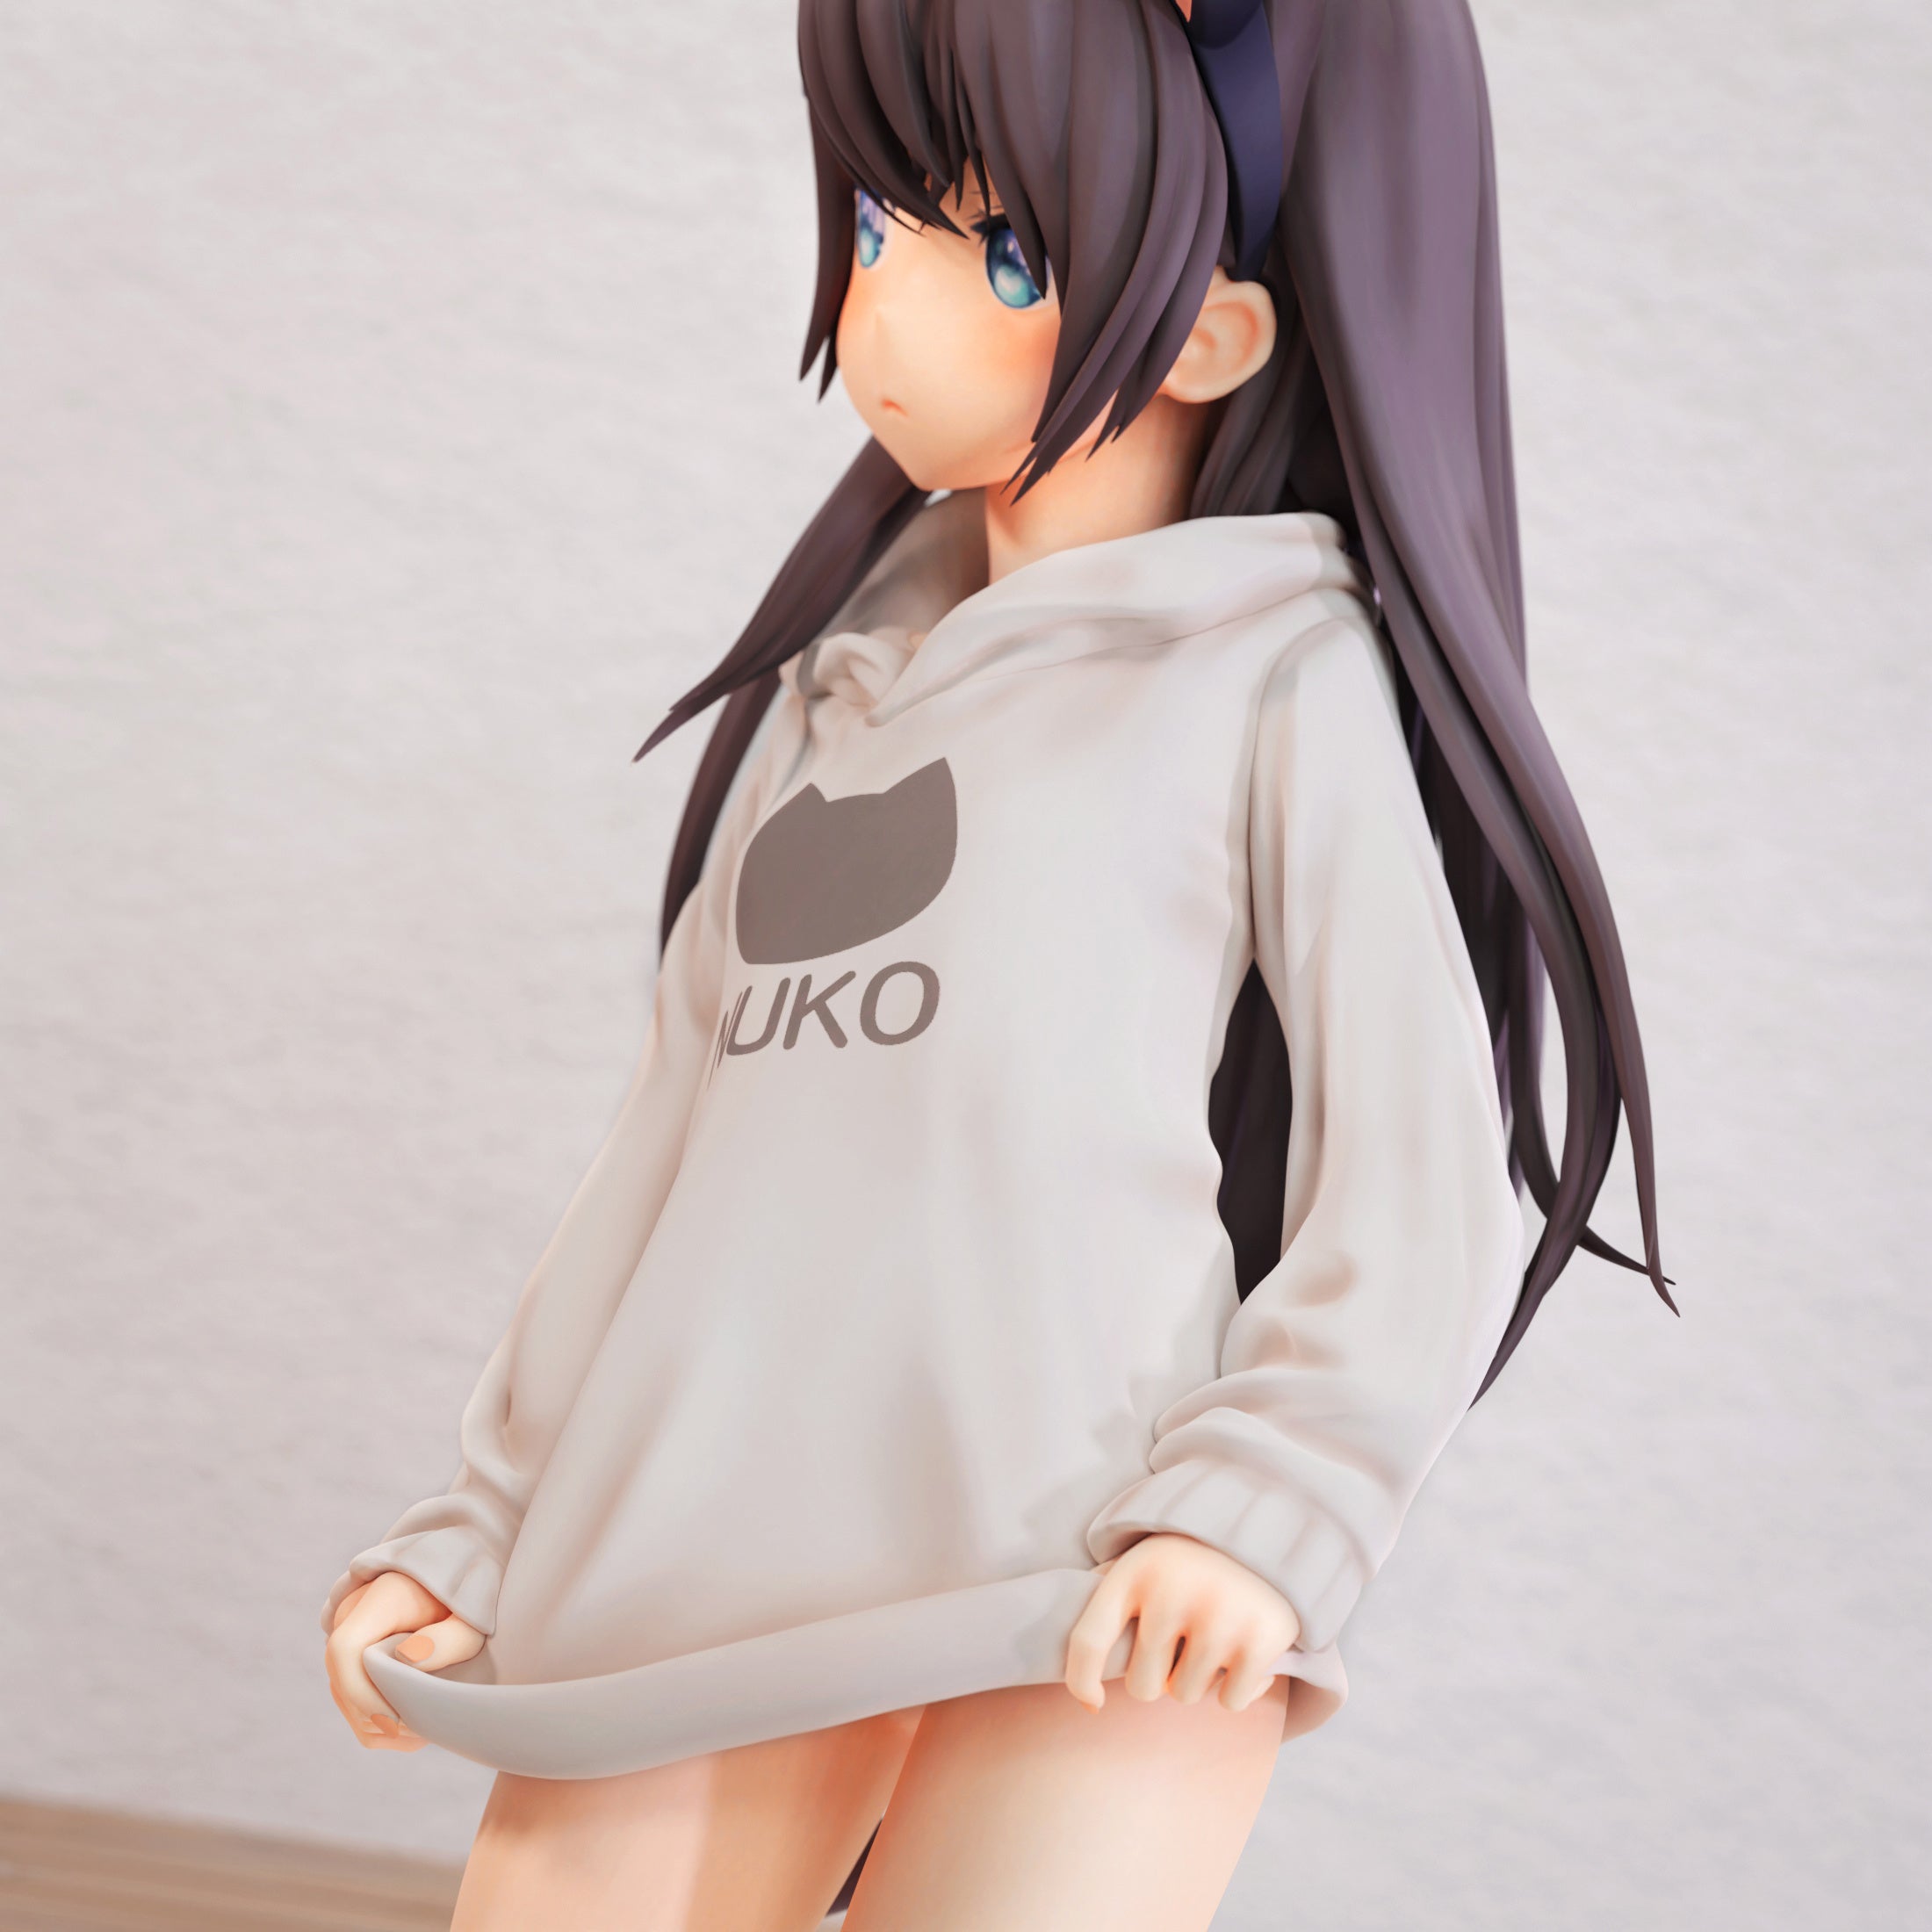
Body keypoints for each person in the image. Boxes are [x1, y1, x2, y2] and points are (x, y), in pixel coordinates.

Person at [322, 4, 1669, 1926]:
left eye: (1006, 255)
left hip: (1094, 1591)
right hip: (693, 1567)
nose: (885, 307)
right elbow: (662, 1163)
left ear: (1209, 336)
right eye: (882, 224)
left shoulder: (1270, 672)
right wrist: (487, 1521)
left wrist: (1266, 1502)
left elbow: (1412, 1164)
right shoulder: (828, 703)